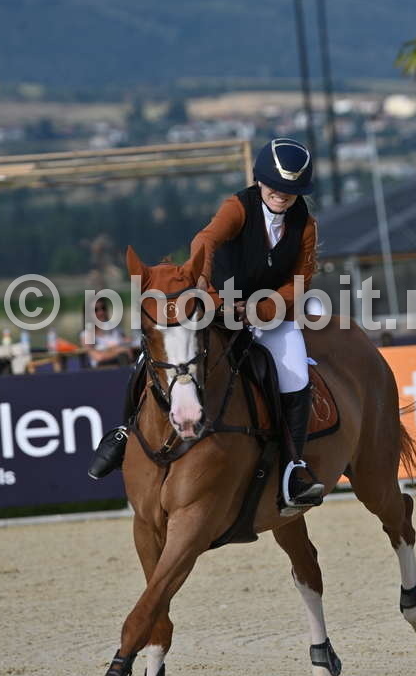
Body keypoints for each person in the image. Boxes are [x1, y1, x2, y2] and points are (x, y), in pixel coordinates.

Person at [89, 138, 324, 510]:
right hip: (216, 305)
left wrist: (262, 309)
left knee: (295, 375)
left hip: (271, 315)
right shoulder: (238, 207)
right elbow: (206, 241)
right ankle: (123, 433)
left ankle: (293, 469)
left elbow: (300, 281)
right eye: (275, 186)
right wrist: (210, 294)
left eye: (290, 189)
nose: (281, 194)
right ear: (260, 180)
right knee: (153, 356)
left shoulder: (305, 225)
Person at [81, 300, 133, 368]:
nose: (101, 312)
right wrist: (119, 351)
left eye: (103, 308)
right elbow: (98, 357)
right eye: (95, 310)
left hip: (125, 365)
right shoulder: (87, 335)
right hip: (103, 369)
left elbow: (130, 343)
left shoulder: (116, 329)